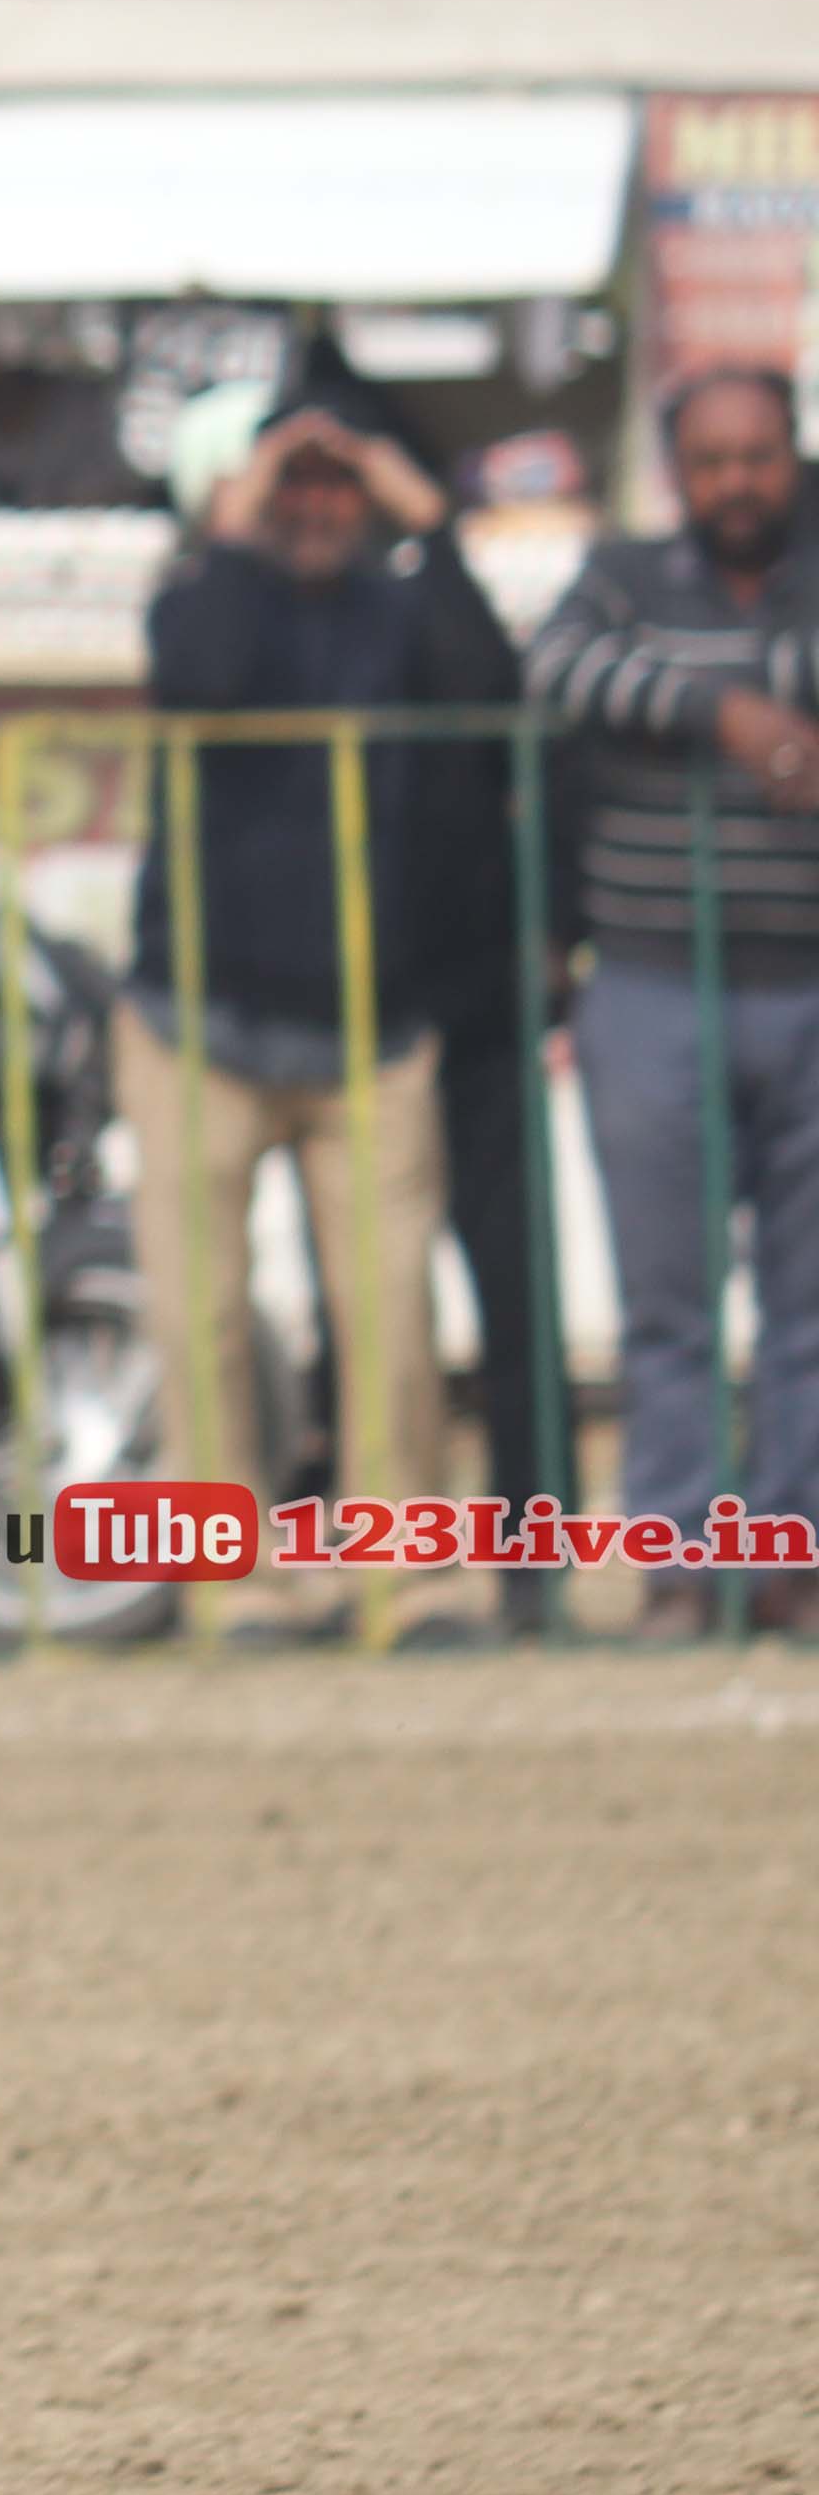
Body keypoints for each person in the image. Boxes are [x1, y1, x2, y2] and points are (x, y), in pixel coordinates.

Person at [130, 387, 521, 1636]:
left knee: (393, 1316)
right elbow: (201, 680)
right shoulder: (198, 596)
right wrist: (238, 525)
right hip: (200, 1018)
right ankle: (229, 1581)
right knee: (201, 1318)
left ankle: (403, 1576)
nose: (313, 505)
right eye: (291, 480)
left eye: (333, 482)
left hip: (370, 1021)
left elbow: (485, 692)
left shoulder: (397, 612)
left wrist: (433, 524)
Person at [532, 362, 819, 1639]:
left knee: (811, 1303)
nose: (737, 484)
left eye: (758, 456)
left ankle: (793, 1553)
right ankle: (681, 1559)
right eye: (712, 462)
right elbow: (557, 668)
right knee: (668, 1303)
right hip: (653, 981)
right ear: (676, 473)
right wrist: (724, 714)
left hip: (807, 981)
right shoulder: (623, 576)